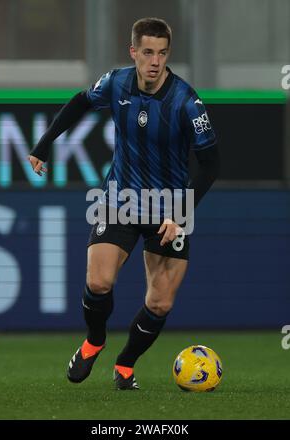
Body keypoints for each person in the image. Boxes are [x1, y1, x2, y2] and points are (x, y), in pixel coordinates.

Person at [28, 17, 220, 390]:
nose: (155, 61)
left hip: (167, 209)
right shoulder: (116, 82)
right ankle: (94, 340)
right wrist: (45, 142)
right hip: (121, 199)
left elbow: (211, 164)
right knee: (98, 282)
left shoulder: (186, 102)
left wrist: (180, 214)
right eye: (147, 52)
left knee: (160, 304)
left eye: (162, 54)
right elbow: (81, 102)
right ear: (133, 52)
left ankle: (126, 364)